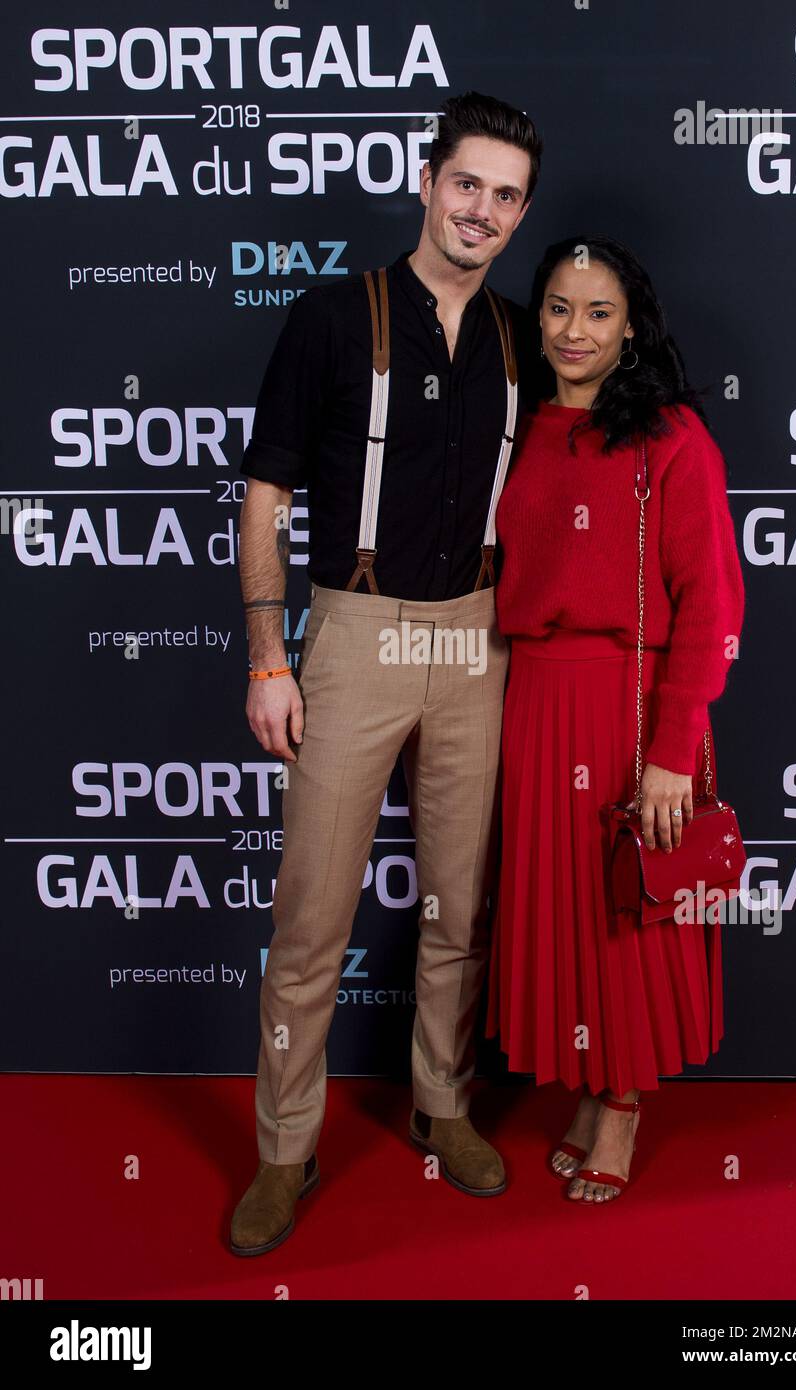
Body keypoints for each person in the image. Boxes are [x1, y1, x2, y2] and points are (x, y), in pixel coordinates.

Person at [229, 92, 542, 1255]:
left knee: (460, 908)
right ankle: (284, 1148)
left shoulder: (520, 334)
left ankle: (442, 1103)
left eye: (508, 196)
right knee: (312, 916)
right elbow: (262, 498)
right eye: (469, 184)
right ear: (428, 181)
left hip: (478, 637)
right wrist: (270, 656)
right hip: (355, 634)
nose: (485, 211)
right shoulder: (329, 317)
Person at [485, 234, 745, 1204]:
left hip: (631, 711)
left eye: (598, 312)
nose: (575, 330)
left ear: (630, 324)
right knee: (567, 908)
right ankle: (597, 1085)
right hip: (537, 703)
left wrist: (674, 752)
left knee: (626, 910)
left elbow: (712, 607)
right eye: (558, 308)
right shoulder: (521, 427)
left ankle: (626, 1101)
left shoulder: (671, 437)